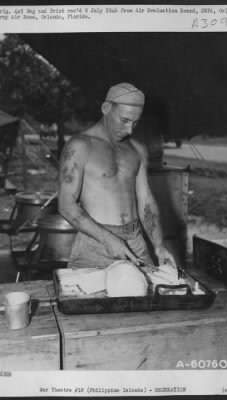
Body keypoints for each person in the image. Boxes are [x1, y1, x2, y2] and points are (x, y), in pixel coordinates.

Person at [58, 82, 177, 271]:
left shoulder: (137, 149)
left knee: (149, 297)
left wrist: (158, 244)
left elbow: (146, 201)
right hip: (95, 243)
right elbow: (66, 204)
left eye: (135, 123)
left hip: (136, 242)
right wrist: (107, 238)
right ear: (106, 108)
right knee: (89, 299)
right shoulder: (79, 146)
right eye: (124, 120)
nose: (130, 130)